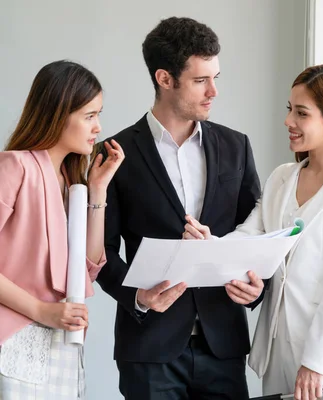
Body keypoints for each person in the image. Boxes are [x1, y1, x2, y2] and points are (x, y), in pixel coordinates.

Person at [184, 64, 323, 400]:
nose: (289, 121)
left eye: (301, 113)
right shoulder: (282, 178)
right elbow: (248, 236)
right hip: (277, 357)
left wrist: (316, 362)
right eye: (290, 109)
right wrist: (210, 245)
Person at [95, 17, 262, 399]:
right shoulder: (115, 154)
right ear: (165, 79)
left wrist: (257, 287)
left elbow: (254, 230)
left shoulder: (237, 147)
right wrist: (137, 296)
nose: (214, 91)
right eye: (201, 80)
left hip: (224, 345)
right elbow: (99, 251)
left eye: (215, 77)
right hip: (150, 349)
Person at [0, 60, 124, 399]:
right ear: (57, 113)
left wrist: (98, 191)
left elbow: (88, 268)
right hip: (13, 340)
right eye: (89, 115)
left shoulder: (73, 183)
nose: (98, 126)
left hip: (62, 345)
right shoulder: (15, 166)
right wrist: (42, 311)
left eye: (99, 114)